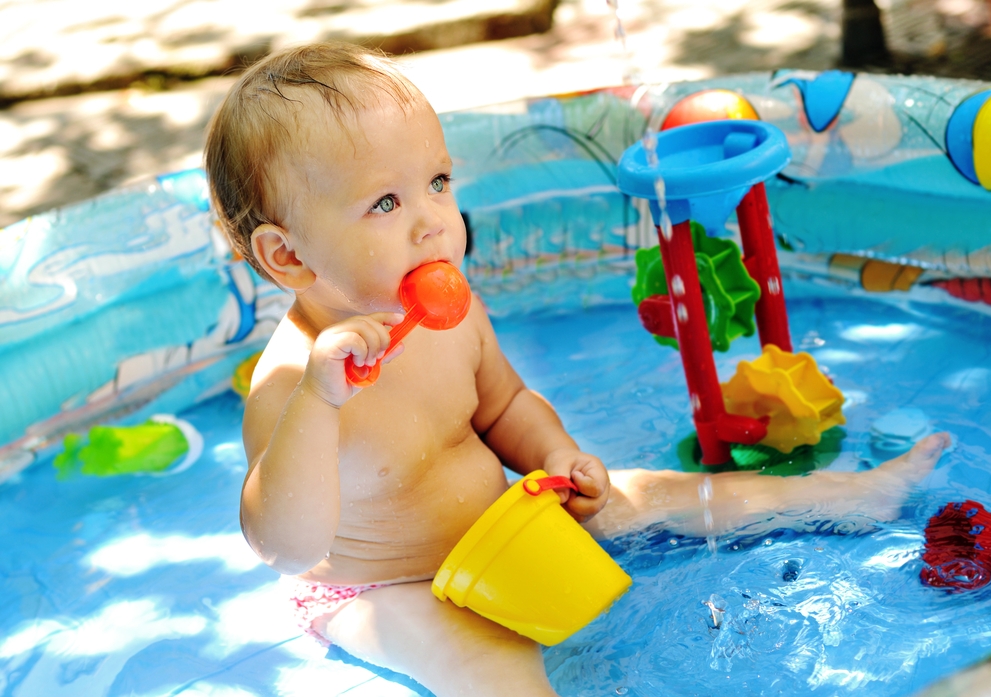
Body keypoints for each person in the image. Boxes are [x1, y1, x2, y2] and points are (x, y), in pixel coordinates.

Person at [204, 42, 950, 697]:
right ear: (288, 255)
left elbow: (503, 406)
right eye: (386, 202)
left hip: (506, 528)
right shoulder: (294, 383)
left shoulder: (450, 315)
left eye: (437, 182)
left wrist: (555, 456)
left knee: (663, 493)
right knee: (488, 662)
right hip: (385, 585)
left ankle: (847, 496)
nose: (433, 221)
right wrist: (320, 402)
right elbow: (286, 545)